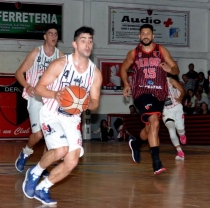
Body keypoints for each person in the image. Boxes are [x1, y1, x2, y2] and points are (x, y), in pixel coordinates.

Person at [22, 26, 102, 205]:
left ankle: (44, 187)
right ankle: (34, 173)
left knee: (72, 161)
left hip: (72, 118)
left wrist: (86, 102)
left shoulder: (95, 74)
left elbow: (95, 102)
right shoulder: (60, 64)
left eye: (90, 40)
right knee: (61, 150)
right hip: (51, 112)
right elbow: (39, 88)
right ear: (75, 44)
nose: (87, 44)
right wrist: (55, 94)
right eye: (83, 40)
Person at [120, 24, 180, 175]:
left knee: (151, 127)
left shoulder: (161, 50)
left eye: (148, 33)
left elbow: (176, 69)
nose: (145, 35)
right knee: (154, 120)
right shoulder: (134, 53)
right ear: (140, 37)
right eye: (143, 33)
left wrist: (170, 70)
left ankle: (136, 143)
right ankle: (156, 163)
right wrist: (126, 84)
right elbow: (123, 68)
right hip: (141, 93)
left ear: (153, 36)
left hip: (159, 94)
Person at [14, 24, 64, 173]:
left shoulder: (60, 56)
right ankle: (25, 152)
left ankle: (43, 165)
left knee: (50, 134)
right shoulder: (36, 52)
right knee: (38, 134)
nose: (53, 36)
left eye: (55, 34)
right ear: (45, 36)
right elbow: (18, 73)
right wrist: (27, 86)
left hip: (51, 100)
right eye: (50, 34)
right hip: (35, 98)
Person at [162, 75, 186, 160]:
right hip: (166, 111)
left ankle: (182, 134)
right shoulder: (153, 84)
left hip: (177, 108)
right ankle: (179, 151)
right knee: (171, 131)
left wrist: (180, 98)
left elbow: (182, 90)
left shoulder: (170, 80)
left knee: (180, 129)